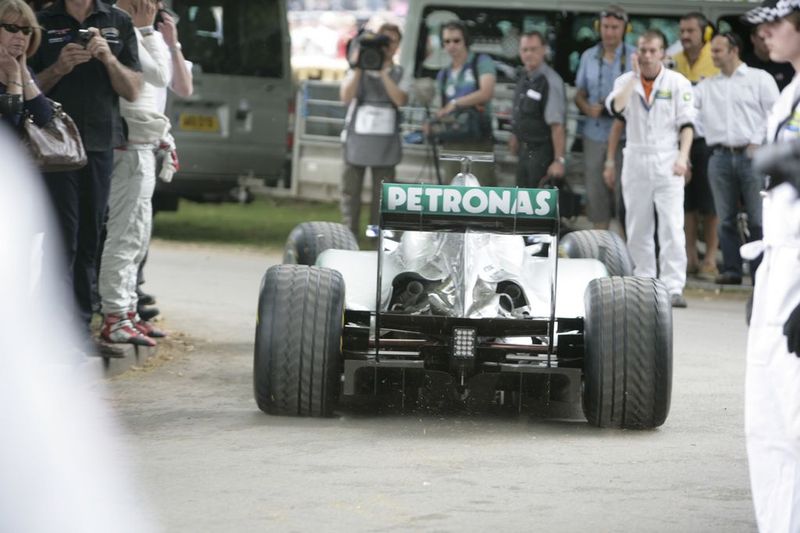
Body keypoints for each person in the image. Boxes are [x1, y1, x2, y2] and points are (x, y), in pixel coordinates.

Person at [29, 0, 142, 346]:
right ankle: (53, 326)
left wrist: (108, 58)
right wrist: (59, 67)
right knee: (63, 236)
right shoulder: (41, 21)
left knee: (91, 237)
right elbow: (25, 84)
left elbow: (134, 89)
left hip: (99, 143)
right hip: (54, 147)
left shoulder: (118, 20)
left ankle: (79, 328)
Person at [741, 1, 800, 529]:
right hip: (779, 264)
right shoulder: (788, 92)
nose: (765, 35)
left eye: (775, 25)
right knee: (768, 418)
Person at [97, 0, 169, 347]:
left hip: (142, 143)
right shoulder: (119, 24)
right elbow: (159, 75)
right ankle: (116, 315)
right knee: (124, 239)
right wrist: (145, 30)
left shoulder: (124, 24)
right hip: (127, 147)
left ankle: (127, 312)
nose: (153, 6)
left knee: (137, 237)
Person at [607, 29, 695, 308]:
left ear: (663, 54)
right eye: (642, 50)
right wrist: (633, 78)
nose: (646, 56)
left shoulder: (678, 82)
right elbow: (616, 108)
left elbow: (687, 125)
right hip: (636, 156)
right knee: (638, 225)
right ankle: (644, 281)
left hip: (667, 157)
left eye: (652, 51)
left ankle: (673, 285)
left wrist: (683, 157)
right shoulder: (625, 81)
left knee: (671, 224)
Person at [695, 32, 778, 286]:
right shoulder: (708, 85)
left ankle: (759, 273)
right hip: (719, 155)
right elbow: (689, 113)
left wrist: (757, 139)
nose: (713, 55)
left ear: (734, 50)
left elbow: (775, 113)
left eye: (718, 50)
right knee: (725, 217)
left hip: (752, 155)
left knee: (757, 218)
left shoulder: (759, 79)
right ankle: (731, 270)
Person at [135, 0, 193, 322]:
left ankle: (136, 283)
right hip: (129, 137)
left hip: (153, 141)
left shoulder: (162, 43)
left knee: (144, 219)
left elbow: (183, 86)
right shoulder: (130, 32)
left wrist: (173, 44)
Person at [339, 22, 407, 238]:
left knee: (382, 199)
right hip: (356, 144)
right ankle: (349, 238)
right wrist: (360, 65)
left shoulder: (398, 72)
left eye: (392, 42)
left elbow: (400, 100)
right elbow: (345, 97)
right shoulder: (358, 68)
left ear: (397, 47)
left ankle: (375, 239)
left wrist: (382, 70)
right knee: (351, 195)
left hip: (385, 148)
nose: (387, 46)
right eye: (383, 41)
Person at [574, 4, 635, 231]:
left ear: (625, 28)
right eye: (606, 27)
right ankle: (600, 249)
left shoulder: (635, 56)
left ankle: (626, 253)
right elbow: (579, 94)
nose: (609, 32)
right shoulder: (588, 56)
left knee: (625, 196)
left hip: (626, 137)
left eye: (615, 27)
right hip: (595, 133)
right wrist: (587, 108)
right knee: (596, 194)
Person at [672, 12, 720, 282]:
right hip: (679, 140)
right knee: (686, 203)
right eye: (682, 30)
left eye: (690, 31)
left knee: (710, 205)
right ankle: (689, 256)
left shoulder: (714, 58)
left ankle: (710, 258)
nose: (685, 36)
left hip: (708, 140)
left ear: (705, 34)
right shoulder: (673, 59)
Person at [431, 19, 496, 186]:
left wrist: (455, 103)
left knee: (481, 194)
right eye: (447, 41)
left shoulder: (481, 61)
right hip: (452, 140)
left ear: (465, 41)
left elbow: (486, 92)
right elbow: (441, 108)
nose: (451, 45)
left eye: (456, 40)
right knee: (452, 195)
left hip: (478, 140)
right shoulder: (443, 74)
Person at [508, 30, 566, 188]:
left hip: (542, 154)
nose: (528, 54)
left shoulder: (550, 80)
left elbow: (557, 125)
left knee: (536, 206)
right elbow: (520, 112)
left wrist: (558, 161)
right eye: (525, 50)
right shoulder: (524, 77)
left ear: (543, 50)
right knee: (520, 203)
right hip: (524, 152)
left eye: (533, 49)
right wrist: (515, 135)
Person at [0, 0, 51, 131]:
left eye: (26, 30)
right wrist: (14, 76)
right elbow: (7, 128)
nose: (20, 36)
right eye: (12, 28)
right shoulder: (15, 72)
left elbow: (44, 118)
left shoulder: (26, 70)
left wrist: (23, 72)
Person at [744, 23, 794, 91]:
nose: (767, 41)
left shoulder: (784, 62)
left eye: (770, 37)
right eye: (762, 38)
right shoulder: (745, 65)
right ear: (753, 38)